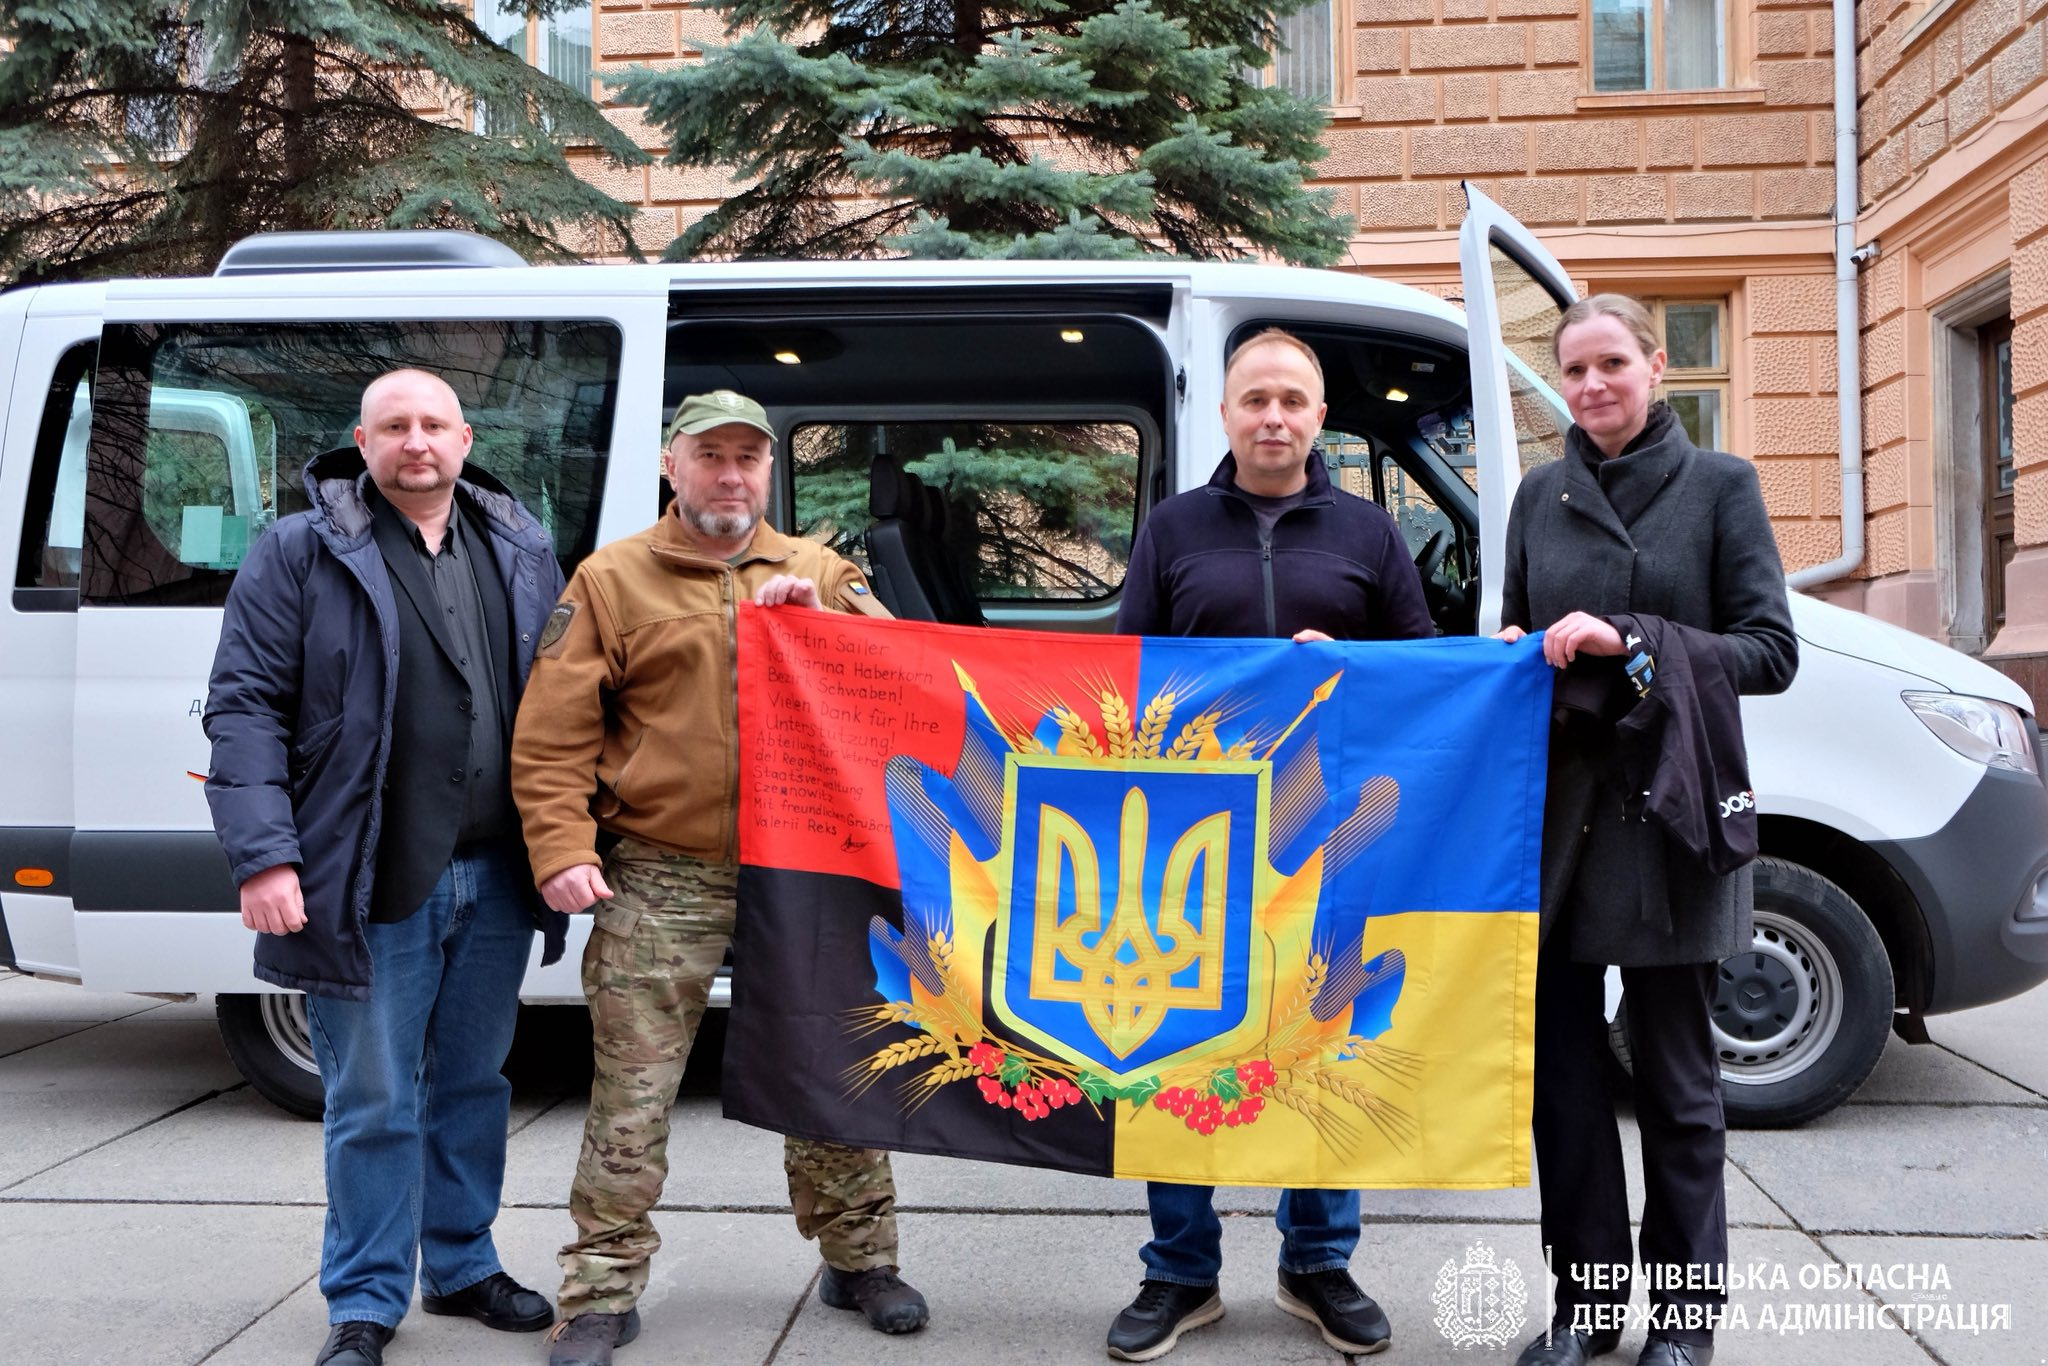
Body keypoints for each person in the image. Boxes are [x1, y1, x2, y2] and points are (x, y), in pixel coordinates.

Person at [511, 389, 927, 1366]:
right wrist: (562, 850)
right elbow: (553, 735)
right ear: (673, 465)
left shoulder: (819, 571)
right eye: (710, 456)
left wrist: (823, 627)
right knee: (634, 1088)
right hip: (664, 871)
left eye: (748, 457)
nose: (730, 475)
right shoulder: (611, 581)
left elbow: (906, 680)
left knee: (830, 1066)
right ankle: (600, 1290)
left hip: (805, 873)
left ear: (769, 469)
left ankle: (861, 1260)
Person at [202, 368, 569, 1366]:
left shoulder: (521, 546)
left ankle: (461, 1263)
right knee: (372, 1100)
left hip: (499, 873)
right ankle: (364, 1297)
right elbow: (243, 706)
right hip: (365, 874)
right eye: (395, 425)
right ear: (361, 443)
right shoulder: (299, 551)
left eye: (434, 424)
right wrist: (265, 857)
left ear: (465, 439)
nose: (417, 441)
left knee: (473, 1083)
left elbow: (568, 702)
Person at [1106, 328, 1434, 1361]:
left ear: (1319, 417)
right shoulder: (1172, 528)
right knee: (1174, 1044)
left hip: (1325, 840)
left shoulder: (1369, 533)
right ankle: (1179, 1270)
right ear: (1226, 414)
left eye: (1292, 399)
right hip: (1192, 844)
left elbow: (1424, 672)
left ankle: (1318, 1262)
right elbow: (1125, 676)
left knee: (1317, 1041)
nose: (1274, 417)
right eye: (1255, 399)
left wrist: (1351, 665)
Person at [1497, 295, 1797, 1366]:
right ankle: (1584, 1308)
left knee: (1677, 1088)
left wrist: (1630, 640)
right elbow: (1515, 631)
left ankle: (1682, 1319)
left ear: (1655, 365)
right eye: (1573, 370)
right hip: (1560, 830)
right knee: (1566, 1090)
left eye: (1610, 364)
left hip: (1673, 820)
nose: (1591, 386)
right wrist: (1514, 648)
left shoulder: (1720, 485)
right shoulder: (1536, 495)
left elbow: (1769, 651)